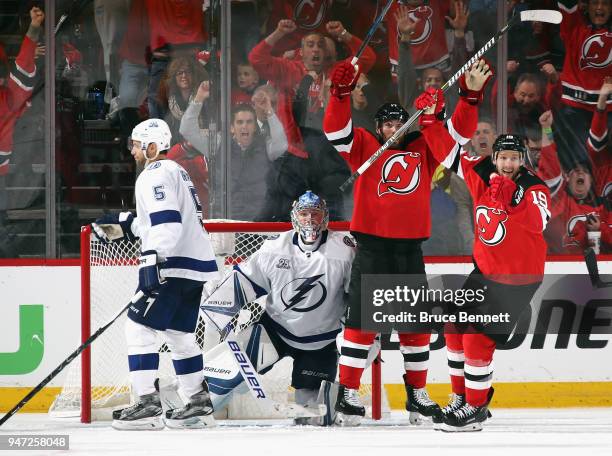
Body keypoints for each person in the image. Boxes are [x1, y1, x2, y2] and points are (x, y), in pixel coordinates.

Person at [323, 58, 492, 425]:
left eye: (401, 122)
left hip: (409, 249)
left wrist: (459, 102)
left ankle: (416, 393)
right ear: (379, 127)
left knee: (414, 324)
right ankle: (347, 392)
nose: (394, 128)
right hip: (372, 248)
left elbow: (457, 139)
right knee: (363, 321)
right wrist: (339, 95)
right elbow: (336, 132)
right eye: (388, 123)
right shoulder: (364, 145)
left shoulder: (424, 148)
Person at [419, 110, 552, 429]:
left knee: (478, 337)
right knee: (453, 325)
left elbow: (539, 223)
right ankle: (461, 399)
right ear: (494, 157)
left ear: (522, 160)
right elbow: (448, 153)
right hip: (485, 271)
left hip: (516, 280)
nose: (507, 164)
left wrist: (513, 202)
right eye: (502, 157)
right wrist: (431, 120)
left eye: (513, 158)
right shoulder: (481, 173)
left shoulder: (535, 188)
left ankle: (476, 409)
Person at [91, 119, 220, 430]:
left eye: (137, 144)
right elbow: (162, 221)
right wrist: (129, 225)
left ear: (151, 146)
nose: (133, 150)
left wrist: (151, 261)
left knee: (138, 328)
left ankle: (147, 402)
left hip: (171, 265)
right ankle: (198, 402)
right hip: (192, 266)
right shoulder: (175, 171)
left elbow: (168, 224)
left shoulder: (155, 174)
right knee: (180, 335)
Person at [201, 191, 355, 425]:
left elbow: (358, 295)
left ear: (325, 217)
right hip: (274, 331)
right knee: (224, 375)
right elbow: (245, 280)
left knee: (312, 418)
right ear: (294, 217)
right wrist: (220, 302)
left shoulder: (343, 251)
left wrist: (356, 333)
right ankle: (197, 411)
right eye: (304, 214)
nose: (310, 220)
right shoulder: (275, 248)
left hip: (321, 342)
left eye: (315, 213)